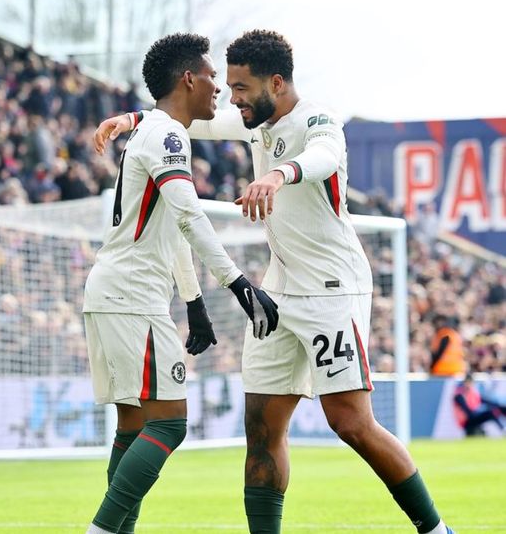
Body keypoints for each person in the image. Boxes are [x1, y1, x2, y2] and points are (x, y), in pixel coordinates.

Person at [94, 29, 453, 534]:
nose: (233, 98)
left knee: (350, 422)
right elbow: (192, 119)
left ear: (277, 83)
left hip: (332, 290)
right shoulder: (254, 124)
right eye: (229, 87)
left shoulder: (319, 120)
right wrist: (132, 119)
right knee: (261, 430)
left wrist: (279, 174)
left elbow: (323, 157)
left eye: (241, 88)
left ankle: (436, 530)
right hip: (278, 294)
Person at [83, 33, 278, 534]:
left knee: (134, 427)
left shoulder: (152, 131)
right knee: (168, 423)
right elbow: (190, 216)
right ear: (189, 79)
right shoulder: (169, 136)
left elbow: (172, 229)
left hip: (114, 293)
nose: (220, 88)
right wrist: (239, 284)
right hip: (133, 298)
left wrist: (194, 301)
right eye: (212, 76)